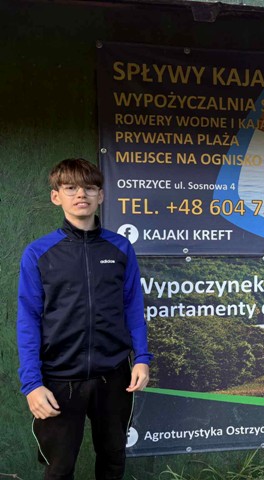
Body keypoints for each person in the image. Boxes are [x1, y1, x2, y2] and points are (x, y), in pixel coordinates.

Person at [17, 158, 152, 480]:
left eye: (90, 188)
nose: (81, 194)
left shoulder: (120, 248)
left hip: (114, 377)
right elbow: (28, 319)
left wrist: (142, 358)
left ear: (100, 196)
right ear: (56, 196)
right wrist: (32, 384)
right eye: (71, 188)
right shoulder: (39, 252)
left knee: (113, 460)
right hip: (59, 379)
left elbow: (133, 307)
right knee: (59, 469)